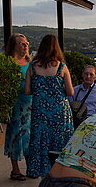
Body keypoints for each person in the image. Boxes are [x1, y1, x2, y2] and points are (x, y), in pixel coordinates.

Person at [25, 33, 74, 179]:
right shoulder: (62, 67)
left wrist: (41, 90)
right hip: (60, 111)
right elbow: (70, 92)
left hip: (40, 112)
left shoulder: (33, 67)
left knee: (40, 142)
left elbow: (27, 91)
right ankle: (60, 173)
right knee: (61, 141)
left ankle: (41, 173)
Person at [3, 33, 33, 181]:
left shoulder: (31, 62)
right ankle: (15, 170)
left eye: (27, 43)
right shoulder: (9, 63)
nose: (26, 45)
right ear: (14, 46)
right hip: (16, 105)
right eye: (22, 43)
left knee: (30, 136)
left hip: (31, 104)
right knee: (16, 136)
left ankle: (30, 167)